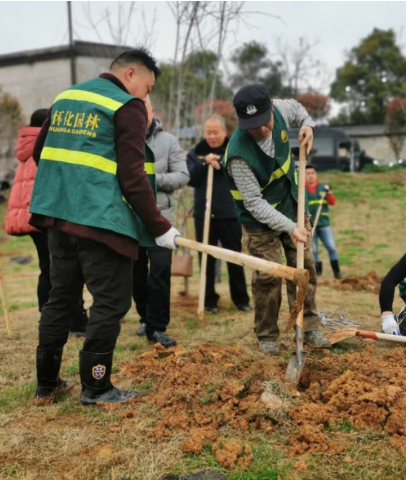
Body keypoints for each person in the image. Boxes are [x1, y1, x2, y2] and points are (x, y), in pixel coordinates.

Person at [29, 48, 180, 405]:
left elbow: (40, 153)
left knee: (60, 299)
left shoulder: (67, 97)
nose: (147, 97)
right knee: (111, 303)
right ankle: (97, 387)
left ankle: (46, 385)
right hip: (100, 222)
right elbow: (133, 177)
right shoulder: (126, 106)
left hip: (57, 217)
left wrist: (73, 183)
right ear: (131, 74)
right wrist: (159, 227)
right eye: (147, 87)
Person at [223, 83, 331, 354]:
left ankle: (310, 328)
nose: (261, 130)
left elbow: (297, 109)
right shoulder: (237, 155)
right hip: (258, 222)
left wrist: (308, 124)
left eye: (263, 121)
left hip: (292, 204)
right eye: (252, 125)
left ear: (271, 107)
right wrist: (290, 227)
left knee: (304, 269)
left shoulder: (281, 109)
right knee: (269, 276)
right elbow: (255, 204)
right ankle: (268, 335)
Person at [5, 109, 88, 337]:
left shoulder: (26, 145)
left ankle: (48, 317)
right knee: (63, 268)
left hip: (32, 217)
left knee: (48, 268)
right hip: (44, 216)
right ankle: (69, 321)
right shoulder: (44, 147)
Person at [133, 95, 190, 346]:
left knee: (160, 271)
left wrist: (152, 180)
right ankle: (144, 318)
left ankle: (157, 327)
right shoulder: (122, 138)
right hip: (130, 217)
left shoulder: (168, 141)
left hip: (161, 216)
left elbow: (182, 175)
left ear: (151, 110)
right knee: (135, 274)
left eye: (143, 107)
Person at [187, 114, 251, 313]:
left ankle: (241, 300)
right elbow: (190, 178)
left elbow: (240, 172)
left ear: (224, 132)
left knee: (234, 258)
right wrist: (204, 163)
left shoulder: (234, 150)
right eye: (208, 132)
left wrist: (221, 163)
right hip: (203, 215)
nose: (212, 136)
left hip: (229, 214)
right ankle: (209, 301)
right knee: (206, 260)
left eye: (216, 132)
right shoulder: (196, 153)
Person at [305, 165, 342, 279]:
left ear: (316, 174)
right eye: (308, 173)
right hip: (310, 225)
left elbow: (332, 202)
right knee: (314, 250)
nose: (310, 175)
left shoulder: (323, 188)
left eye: (312, 173)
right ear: (304, 175)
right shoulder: (302, 190)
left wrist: (329, 193)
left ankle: (337, 272)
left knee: (331, 247)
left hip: (324, 224)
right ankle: (318, 273)